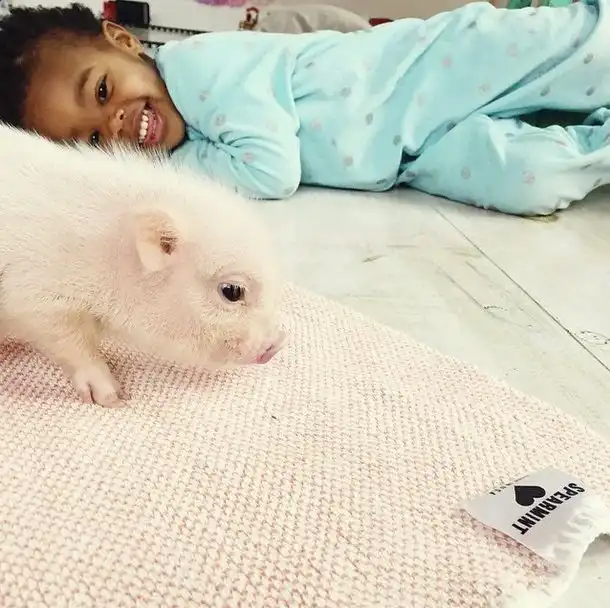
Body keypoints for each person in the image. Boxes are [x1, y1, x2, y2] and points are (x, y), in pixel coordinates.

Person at [0, 1, 609, 215]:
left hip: (434, 66)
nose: (115, 126)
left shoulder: (199, 67)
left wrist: (163, 174)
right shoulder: (185, 140)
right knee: (529, 180)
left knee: (580, 52)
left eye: (102, 92)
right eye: (94, 141)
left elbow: (272, 171)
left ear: (124, 42)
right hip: (413, 156)